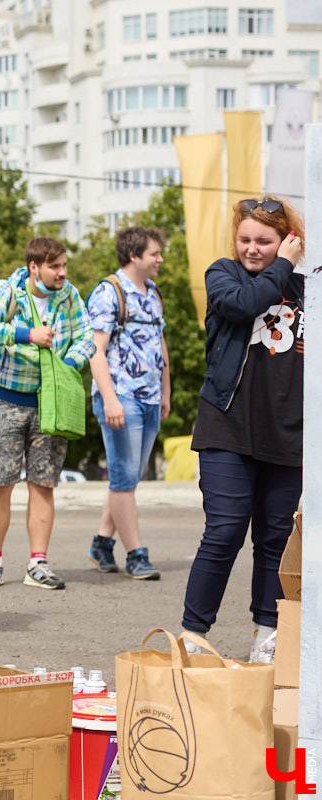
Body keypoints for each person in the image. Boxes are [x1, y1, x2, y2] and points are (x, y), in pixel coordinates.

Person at [182, 196, 304, 663]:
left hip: (287, 432)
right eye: (245, 239)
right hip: (227, 428)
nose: (252, 249)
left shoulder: (305, 290)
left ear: (286, 239)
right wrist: (285, 264)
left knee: (274, 540)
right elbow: (246, 305)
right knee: (226, 528)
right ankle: (194, 635)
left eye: (264, 241)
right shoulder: (223, 275)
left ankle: (266, 635)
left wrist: (295, 272)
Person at [0, 237, 94, 590]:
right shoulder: (7, 290)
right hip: (5, 401)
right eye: (55, 267)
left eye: (64, 266)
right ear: (33, 268)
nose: (62, 273)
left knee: (44, 484)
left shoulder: (69, 296)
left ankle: (38, 564)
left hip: (49, 403)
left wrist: (67, 365)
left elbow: (87, 337)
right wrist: (27, 335)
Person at [85, 226, 169, 580]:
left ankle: (102, 542)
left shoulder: (153, 292)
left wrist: (166, 391)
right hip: (122, 397)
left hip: (150, 396)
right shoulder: (108, 293)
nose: (160, 259)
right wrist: (110, 400)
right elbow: (95, 350)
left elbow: (159, 343)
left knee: (129, 477)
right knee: (123, 479)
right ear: (134, 256)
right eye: (155, 253)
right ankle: (136, 554)